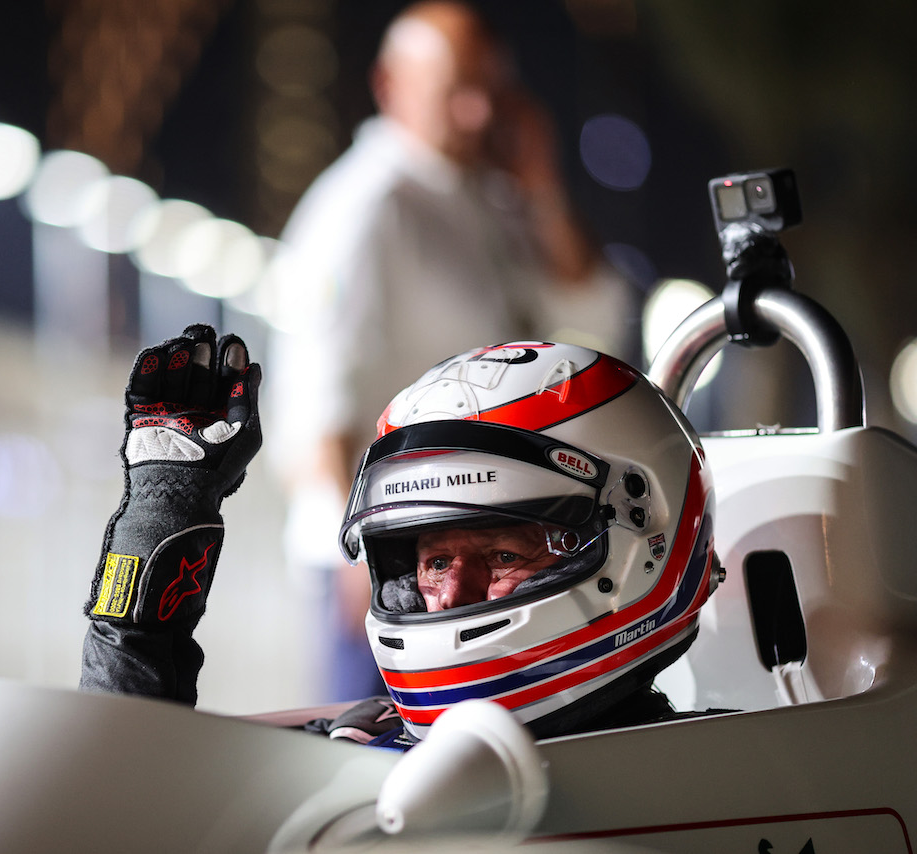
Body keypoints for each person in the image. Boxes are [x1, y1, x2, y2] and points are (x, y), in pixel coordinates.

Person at [80, 326, 723, 748]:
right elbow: (117, 801)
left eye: (503, 554)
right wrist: (160, 520)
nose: (450, 597)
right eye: (433, 560)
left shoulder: (744, 782)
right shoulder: (357, 752)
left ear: (644, 537)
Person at [263, 0, 634, 702]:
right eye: (455, 90)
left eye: (489, 92)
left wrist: (544, 184)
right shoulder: (361, 208)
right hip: (395, 570)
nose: (475, 113)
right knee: (382, 779)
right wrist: (362, 567)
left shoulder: (485, 198)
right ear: (389, 84)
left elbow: (594, 318)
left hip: (482, 555)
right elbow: (315, 406)